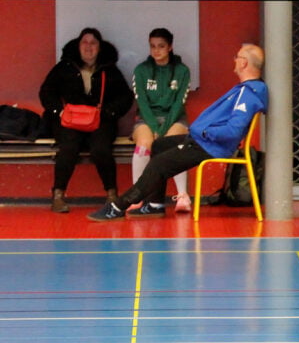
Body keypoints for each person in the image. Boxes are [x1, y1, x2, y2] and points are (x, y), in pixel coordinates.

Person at [86, 44, 266, 222]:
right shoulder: (244, 90)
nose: (234, 60)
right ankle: (155, 204)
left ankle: (118, 206)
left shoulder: (248, 94)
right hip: (203, 140)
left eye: (237, 57)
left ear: (244, 63)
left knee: (159, 164)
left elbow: (233, 131)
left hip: (209, 145)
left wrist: (204, 132)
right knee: (159, 145)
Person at [39, 28, 133, 214]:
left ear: (100, 47)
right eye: (84, 42)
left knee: (101, 149)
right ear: (77, 45)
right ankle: (58, 196)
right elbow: (46, 92)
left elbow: (125, 97)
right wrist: (59, 112)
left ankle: (112, 196)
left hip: (101, 122)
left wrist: (108, 113)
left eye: (93, 43)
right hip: (68, 121)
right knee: (68, 148)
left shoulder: (110, 70)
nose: (88, 47)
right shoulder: (63, 68)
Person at [131, 28, 192, 214]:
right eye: (152, 46)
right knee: (144, 144)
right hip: (146, 119)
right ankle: (136, 195)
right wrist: (154, 127)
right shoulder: (141, 70)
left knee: (173, 146)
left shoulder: (182, 71)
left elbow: (178, 104)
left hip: (174, 119)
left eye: (161, 46)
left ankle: (183, 196)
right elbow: (142, 103)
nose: (156, 50)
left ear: (170, 47)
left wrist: (163, 130)